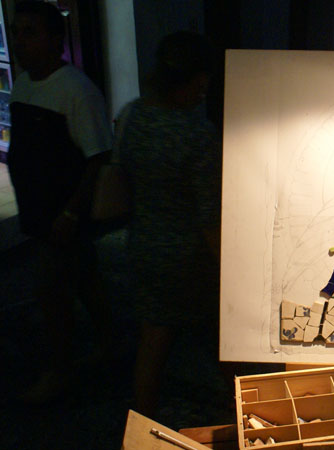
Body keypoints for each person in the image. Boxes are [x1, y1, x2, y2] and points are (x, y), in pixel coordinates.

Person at [7, 0, 114, 403]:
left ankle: (60, 370)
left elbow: (97, 156)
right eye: (17, 32)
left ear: (55, 39)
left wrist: (71, 211)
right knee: (85, 278)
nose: (20, 41)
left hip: (62, 213)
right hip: (38, 209)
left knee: (50, 292)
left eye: (30, 32)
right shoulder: (23, 83)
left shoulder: (76, 91)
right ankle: (109, 342)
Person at [116, 31, 222, 418]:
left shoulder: (133, 115)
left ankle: (141, 426)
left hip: (143, 244)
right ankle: (247, 414)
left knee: (153, 340)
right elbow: (209, 214)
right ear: (198, 80)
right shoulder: (196, 134)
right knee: (223, 339)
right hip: (189, 259)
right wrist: (228, 266)